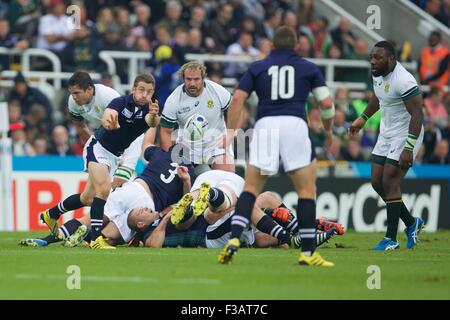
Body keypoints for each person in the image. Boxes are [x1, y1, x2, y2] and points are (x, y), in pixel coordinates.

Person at [219, 26, 335, 267]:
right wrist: (328, 129)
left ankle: (233, 241)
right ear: (297, 46)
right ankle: (307, 252)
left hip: (266, 125)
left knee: (250, 188)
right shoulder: (308, 67)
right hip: (294, 124)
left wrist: (231, 132)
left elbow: (238, 98)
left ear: (271, 46)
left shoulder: (258, 67)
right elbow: (325, 102)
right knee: (306, 191)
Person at [41, 73, 160, 249]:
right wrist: (108, 122)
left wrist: (153, 116)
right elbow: (108, 114)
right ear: (133, 89)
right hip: (98, 147)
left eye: (149, 91)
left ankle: (51, 213)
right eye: (141, 90)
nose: (145, 94)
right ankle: (97, 239)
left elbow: (152, 122)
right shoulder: (119, 101)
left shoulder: (150, 108)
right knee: (104, 190)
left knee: (88, 198)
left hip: (114, 154)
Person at [349, 41, 425, 251]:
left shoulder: (404, 80)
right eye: (372, 57)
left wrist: (409, 147)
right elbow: (379, 95)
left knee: (390, 181)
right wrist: (363, 117)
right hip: (386, 133)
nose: (373, 61)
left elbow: (418, 114)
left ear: (391, 59)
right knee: (376, 182)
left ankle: (391, 239)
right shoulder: (377, 73)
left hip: (406, 133)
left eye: (378, 58)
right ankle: (411, 223)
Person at [160, 61, 235, 172]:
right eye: (188, 79)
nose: (192, 83)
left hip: (215, 143)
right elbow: (165, 132)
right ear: (183, 79)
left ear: (203, 78)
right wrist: (169, 160)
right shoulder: (173, 100)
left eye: (196, 79)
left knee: (227, 171)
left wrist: (230, 133)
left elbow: (235, 110)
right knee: (177, 179)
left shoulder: (217, 91)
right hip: (188, 147)